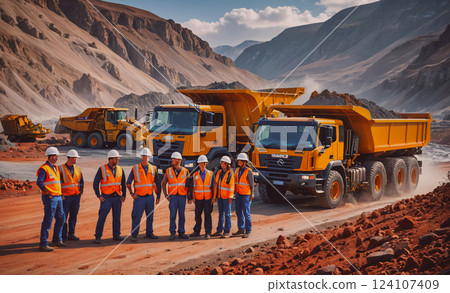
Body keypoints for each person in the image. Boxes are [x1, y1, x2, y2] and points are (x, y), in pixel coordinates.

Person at [127, 148, 161, 242]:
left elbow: (157, 183)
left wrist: (158, 196)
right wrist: (132, 194)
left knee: (150, 216)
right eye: (144, 156)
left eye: (147, 156)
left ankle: (149, 233)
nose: (146, 158)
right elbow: (128, 183)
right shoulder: (135, 168)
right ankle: (134, 235)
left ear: (150, 157)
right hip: (139, 198)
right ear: (141, 157)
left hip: (150, 196)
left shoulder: (153, 168)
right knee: (136, 216)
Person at [93, 149, 126, 243]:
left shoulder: (120, 169)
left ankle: (116, 235)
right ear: (110, 159)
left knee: (117, 217)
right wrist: (98, 195)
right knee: (102, 217)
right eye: (116, 158)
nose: (118, 160)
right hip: (106, 198)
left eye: (118, 159)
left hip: (117, 197)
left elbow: (123, 183)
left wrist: (124, 194)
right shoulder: (102, 169)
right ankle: (98, 236)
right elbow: (95, 183)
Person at [36, 147, 65, 252]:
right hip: (50, 198)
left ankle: (57, 239)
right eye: (56, 156)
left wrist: (60, 194)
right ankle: (43, 244)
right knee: (48, 221)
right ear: (52, 156)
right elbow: (39, 182)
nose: (57, 158)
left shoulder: (56, 168)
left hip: (58, 197)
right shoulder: (44, 168)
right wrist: (47, 193)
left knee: (61, 218)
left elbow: (57, 183)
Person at [161, 152, 190, 240]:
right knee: (172, 215)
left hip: (182, 196)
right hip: (173, 197)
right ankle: (172, 232)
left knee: (182, 215)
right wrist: (166, 195)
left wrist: (189, 197)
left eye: (173, 158)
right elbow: (163, 183)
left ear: (178, 160)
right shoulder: (168, 170)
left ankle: (181, 232)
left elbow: (189, 185)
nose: (172, 160)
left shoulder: (185, 171)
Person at [58, 149, 84, 241]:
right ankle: (63, 234)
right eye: (75, 158)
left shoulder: (78, 169)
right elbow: (57, 183)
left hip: (75, 196)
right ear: (70, 158)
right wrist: (60, 195)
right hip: (65, 197)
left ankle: (71, 234)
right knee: (63, 216)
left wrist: (80, 193)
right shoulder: (60, 168)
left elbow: (81, 182)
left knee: (73, 215)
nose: (76, 160)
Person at [189, 155, 215, 240]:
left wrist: (214, 197)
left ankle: (208, 232)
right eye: (200, 163)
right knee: (197, 215)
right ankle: (197, 231)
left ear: (205, 163)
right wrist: (193, 197)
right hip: (198, 198)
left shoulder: (211, 174)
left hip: (208, 198)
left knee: (207, 215)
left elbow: (214, 186)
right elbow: (194, 187)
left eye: (202, 163)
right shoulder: (195, 175)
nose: (201, 165)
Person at [212, 156, 235, 238]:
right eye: (221, 162)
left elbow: (232, 186)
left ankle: (227, 231)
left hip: (227, 197)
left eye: (222, 163)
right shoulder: (218, 173)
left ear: (227, 164)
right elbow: (216, 185)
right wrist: (214, 196)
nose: (221, 164)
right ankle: (219, 230)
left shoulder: (230, 174)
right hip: (220, 196)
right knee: (221, 214)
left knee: (227, 214)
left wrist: (230, 197)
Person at [232, 153, 254, 238]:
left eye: (240, 161)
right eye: (238, 160)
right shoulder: (237, 171)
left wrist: (251, 195)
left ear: (244, 162)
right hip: (238, 194)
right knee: (238, 211)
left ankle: (248, 230)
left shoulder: (249, 172)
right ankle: (241, 229)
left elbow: (251, 185)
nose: (238, 162)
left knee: (246, 212)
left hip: (246, 195)